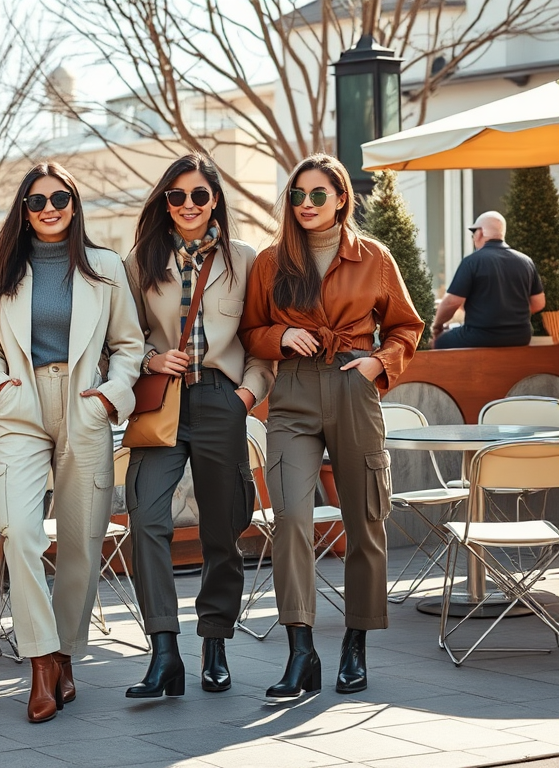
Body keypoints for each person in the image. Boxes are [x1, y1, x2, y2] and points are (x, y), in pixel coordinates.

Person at [239, 153, 423, 700]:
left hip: (353, 387)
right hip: (292, 393)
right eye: (297, 196)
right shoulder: (272, 261)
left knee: (364, 517)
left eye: (317, 195)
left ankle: (355, 644)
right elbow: (251, 329)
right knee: (292, 515)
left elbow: (407, 327)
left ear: (342, 198)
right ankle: (301, 650)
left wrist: (376, 364)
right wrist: (279, 339)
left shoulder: (375, 257)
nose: (306, 205)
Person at [0, 161, 143, 723]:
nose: (49, 209)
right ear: (24, 210)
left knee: (81, 542)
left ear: (74, 204)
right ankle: (41, 661)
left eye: (60, 199)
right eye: (38, 201)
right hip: (20, 408)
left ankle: (66, 654)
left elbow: (128, 346)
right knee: (19, 531)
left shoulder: (107, 267)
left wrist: (109, 394)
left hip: (83, 406)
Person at [122, 153, 274, 699]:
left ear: (215, 202)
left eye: (199, 196)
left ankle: (214, 643)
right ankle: (164, 652)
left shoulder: (245, 259)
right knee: (147, 519)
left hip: (220, 399)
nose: (188, 205)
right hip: (161, 403)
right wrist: (148, 358)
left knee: (222, 528)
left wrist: (246, 396)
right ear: (165, 202)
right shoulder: (140, 261)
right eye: (177, 196)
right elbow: (123, 335)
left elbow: (260, 338)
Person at [432, 210, 545, 349]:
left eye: (473, 233)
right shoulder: (526, 261)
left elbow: (451, 303)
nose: (473, 238)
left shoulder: (472, 262)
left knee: (440, 341)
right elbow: (539, 303)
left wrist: (437, 326)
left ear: (480, 232)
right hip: (520, 336)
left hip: (480, 336)